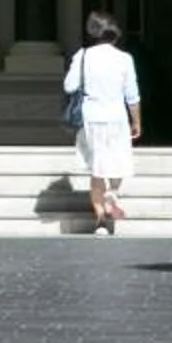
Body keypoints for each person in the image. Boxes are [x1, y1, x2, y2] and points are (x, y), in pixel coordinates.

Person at [65, 13, 142, 232]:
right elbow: (132, 95)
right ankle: (113, 193)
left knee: (97, 169)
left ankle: (100, 220)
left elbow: (69, 86)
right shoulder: (124, 58)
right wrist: (136, 122)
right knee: (118, 161)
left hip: (92, 117)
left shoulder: (83, 56)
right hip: (117, 117)